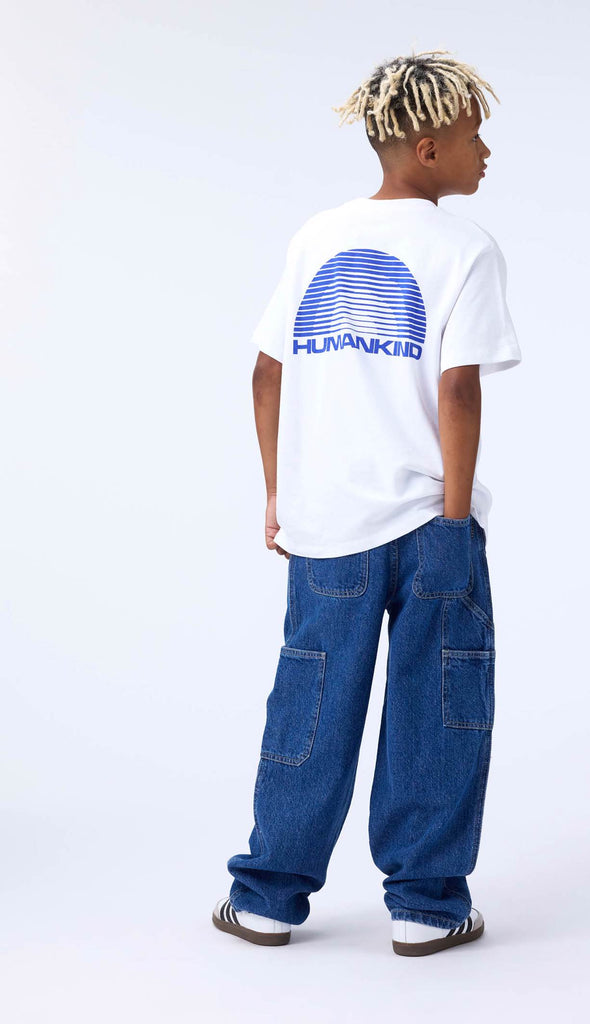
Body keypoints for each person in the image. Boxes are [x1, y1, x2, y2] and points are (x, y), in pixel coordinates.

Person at [212, 47, 522, 957]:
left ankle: (267, 898)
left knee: (310, 703)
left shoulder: (318, 235)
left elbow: (265, 373)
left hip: (328, 527)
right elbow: (458, 389)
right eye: (474, 135)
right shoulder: (465, 247)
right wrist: (455, 519)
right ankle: (426, 907)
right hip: (431, 520)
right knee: (438, 704)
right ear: (428, 149)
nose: (486, 152)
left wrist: (280, 492)